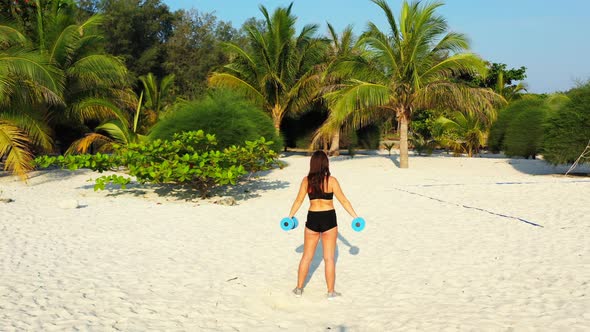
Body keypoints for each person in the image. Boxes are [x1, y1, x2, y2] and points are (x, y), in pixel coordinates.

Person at [287, 150, 359, 299]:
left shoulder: (306, 181)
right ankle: (331, 292)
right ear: (326, 163)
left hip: (313, 218)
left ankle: (299, 289)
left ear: (312, 164)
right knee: (329, 258)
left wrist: (290, 217)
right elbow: (344, 200)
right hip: (328, 219)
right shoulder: (331, 181)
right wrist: (355, 217)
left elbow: (298, 201)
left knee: (306, 256)